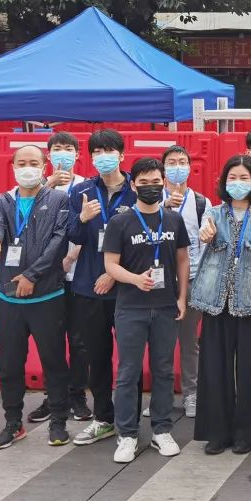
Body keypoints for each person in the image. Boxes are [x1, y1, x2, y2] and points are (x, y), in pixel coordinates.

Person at [0, 145, 73, 449]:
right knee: (9, 364)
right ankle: (13, 422)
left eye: (33, 162)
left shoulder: (59, 199)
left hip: (47, 296)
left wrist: (32, 276)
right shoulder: (0, 201)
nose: (27, 168)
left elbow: (59, 241)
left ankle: (58, 420)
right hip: (8, 298)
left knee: (53, 361)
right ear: (12, 167)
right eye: (21, 163)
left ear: (44, 166)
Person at [103, 158, 190, 463]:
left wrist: (182, 297)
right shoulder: (120, 222)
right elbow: (110, 264)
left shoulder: (173, 220)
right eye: (144, 182)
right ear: (133, 185)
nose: (150, 187)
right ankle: (126, 434)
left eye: (155, 182)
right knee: (128, 373)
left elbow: (182, 259)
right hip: (131, 308)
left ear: (164, 183)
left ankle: (161, 430)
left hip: (165, 307)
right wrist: (134, 279)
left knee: (163, 371)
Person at [191, 155, 251, 454]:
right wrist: (206, 233)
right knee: (215, 367)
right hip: (216, 303)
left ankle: (249, 433)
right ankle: (217, 433)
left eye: (244, 178)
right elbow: (204, 233)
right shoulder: (213, 214)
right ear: (224, 182)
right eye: (232, 178)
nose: (237, 183)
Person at [67, 129, 137, 447]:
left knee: (130, 357)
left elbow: (143, 242)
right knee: (97, 355)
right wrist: (82, 219)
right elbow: (72, 236)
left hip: (126, 288)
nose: (103, 157)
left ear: (122, 155)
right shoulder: (81, 191)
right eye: (97, 152)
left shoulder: (136, 190)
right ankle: (103, 418)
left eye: (109, 151)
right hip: (88, 288)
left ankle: (129, 419)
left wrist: (114, 274)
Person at [27, 131, 90, 424]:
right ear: (48, 156)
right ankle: (54, 397)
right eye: (57, 149)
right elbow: (24, 225)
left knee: (79, 340)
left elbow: (92, 229)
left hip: (77, 275)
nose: (62, 153)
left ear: (78, 155)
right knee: (50, 340)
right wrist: (48, 185)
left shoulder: (86, 186)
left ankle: (77, 395)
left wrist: (70, 257)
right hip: (46, 277)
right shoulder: (36, 188)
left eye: (68, 148)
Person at [148, 144, 212, 420]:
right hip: (158, 280)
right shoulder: (152, 199)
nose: (177, 166)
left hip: (193, 279)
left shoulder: (201, 202)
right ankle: (159, 397)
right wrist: (163, 207)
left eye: (182, 161)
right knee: (158, 342)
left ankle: (191, 393)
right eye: (172, 162)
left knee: (189, 342)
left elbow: (206, 241)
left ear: (189, 167)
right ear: (163, 169)